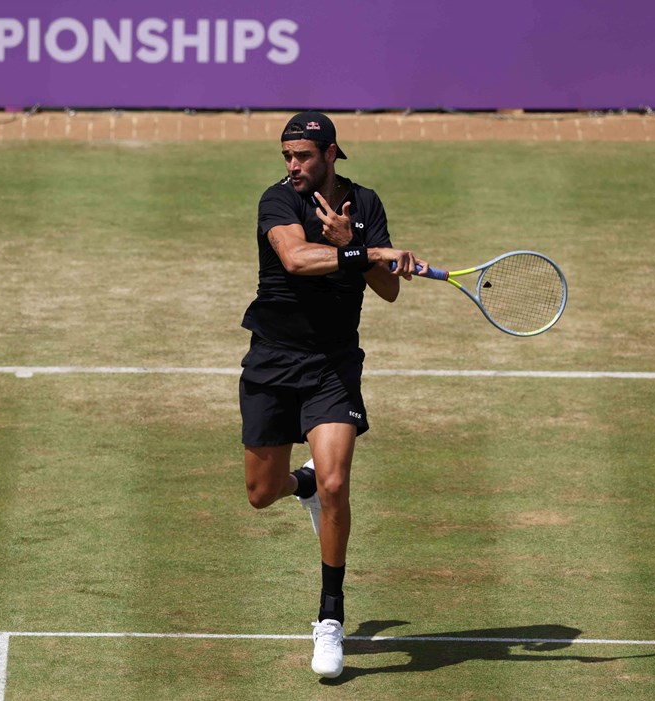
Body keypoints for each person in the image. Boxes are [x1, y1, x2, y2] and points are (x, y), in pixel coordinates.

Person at [239, 111, 430, 679]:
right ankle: (300, 487)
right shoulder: (276, 203)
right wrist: (362, 252)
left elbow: (390, 289)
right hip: (272, 361)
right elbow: (297, 259)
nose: (292, 166)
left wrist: (368, 247)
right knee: (260, 492)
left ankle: (330, 619)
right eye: (286, 157)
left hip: (332, 365)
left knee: (337, 482)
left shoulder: (365, 204)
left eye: (301, 156)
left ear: (330, 155)